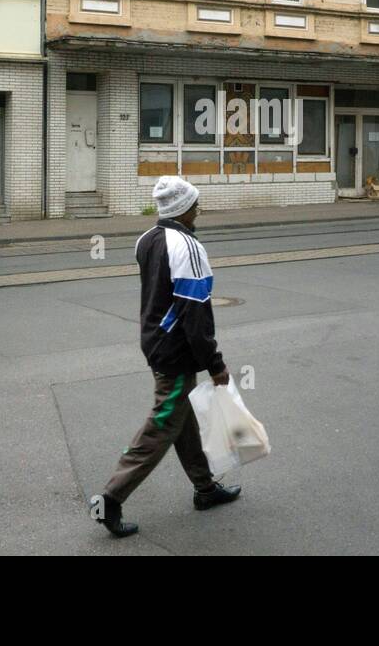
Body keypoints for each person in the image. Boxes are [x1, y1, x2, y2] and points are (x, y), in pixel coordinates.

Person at [96, 176, 241, 538]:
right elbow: (195, 313)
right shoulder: (188, 246)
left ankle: (205, 488)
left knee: (182, 417)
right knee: (163, 423)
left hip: (154, 339)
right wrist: (216, 364)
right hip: (175, 350)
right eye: (196, 204)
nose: (199, 209)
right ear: (184, 209)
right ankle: (111, 498)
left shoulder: (145, 240)